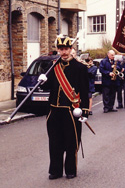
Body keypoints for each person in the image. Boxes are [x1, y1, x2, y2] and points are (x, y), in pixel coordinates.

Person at [38, 36, 89, 179]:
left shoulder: (80, 67)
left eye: (66, 49)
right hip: (54, 110)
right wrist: (42, 81)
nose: (64, 52)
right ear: (57, 50)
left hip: (71, 111)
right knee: (54, 142)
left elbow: (85, 90)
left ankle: (70, 170)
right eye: (61, 49)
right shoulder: (53, 66)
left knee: (71, 141)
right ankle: (55, 170)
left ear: (71, 49)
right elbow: (48, 86)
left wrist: (84, 111)